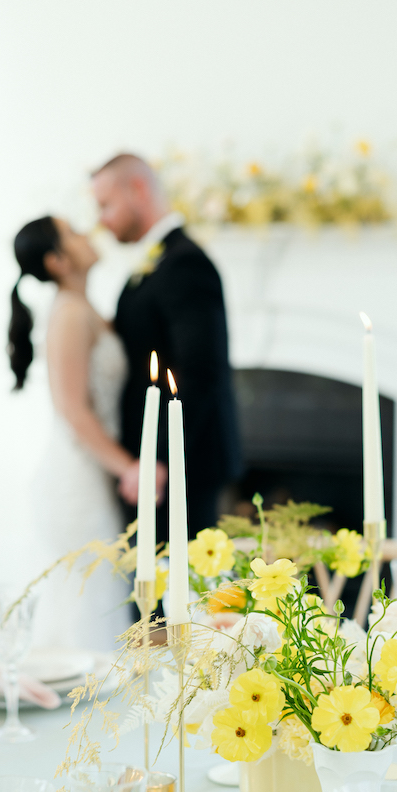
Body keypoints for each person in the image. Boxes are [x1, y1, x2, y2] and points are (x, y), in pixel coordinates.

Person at [91, 153, 241, 542]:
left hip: (178, 468)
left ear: (138, 189)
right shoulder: (159, 261)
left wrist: (159, 459)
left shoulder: (186, 264)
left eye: (105, 205)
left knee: (173, 597)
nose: (100, 220)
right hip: (153, 464)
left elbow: (200, 371)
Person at [8, 216, 132, 651]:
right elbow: (72, 409)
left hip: (90, 475)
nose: (89, 233)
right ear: (57, 260)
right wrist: (129, 468)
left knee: (95, 598)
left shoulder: (83, 306)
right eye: (75, 233)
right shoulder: (70, 314)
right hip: (75, 483)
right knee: (85, 602)